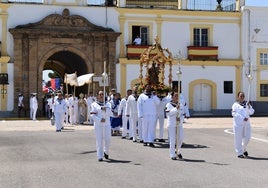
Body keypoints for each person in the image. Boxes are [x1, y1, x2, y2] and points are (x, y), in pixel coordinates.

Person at [90, 91, 113, 161]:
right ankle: (99, 155)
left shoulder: (108, 104)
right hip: (98, 124)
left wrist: (105, 109)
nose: (101, 96)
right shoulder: (94, 104)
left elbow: (110, 113)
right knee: (99, 139)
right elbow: (92, 114)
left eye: (102, 94)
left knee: (108, 139)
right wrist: (99, 120)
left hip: (107, 124)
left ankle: (106, 151)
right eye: (100, 94)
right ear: (97, 96)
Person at [231, 91, 254, 158]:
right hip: (238, 124)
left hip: (247, 124)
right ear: (238, 97)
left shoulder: (247, 104)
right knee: (238, 139)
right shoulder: (235, 105)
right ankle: (239, 153)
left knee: (247, 137)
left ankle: (244, 148)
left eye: (243, 96)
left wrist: (249, 107)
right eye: (241, 96)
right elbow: (234, 114)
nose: (242, 97)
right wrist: (242, 118)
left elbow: (252, 112)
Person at [165, 92, 184, 160]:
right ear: (172, 97)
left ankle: (178, 151)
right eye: (175, 96)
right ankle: (172, 154)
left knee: (181, 138)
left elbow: (182, 114)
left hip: (179, 124)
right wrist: (176, 109)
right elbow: (168, 114)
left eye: (177, 96)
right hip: (172, 124)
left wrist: (180, 118)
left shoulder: (181, 105)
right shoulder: (168, 104)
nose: (176, 97)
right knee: (172, 139)